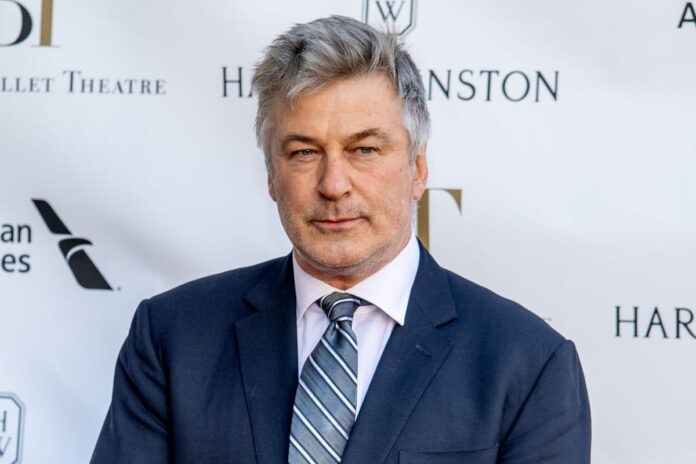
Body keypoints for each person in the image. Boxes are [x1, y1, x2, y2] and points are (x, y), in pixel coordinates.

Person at [90, 15, 590, 464]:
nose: (333, 184)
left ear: (417, 169)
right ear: (271, 174)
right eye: (304, 152)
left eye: (365, 149)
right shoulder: (173, 337)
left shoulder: (526, 363)